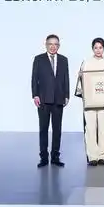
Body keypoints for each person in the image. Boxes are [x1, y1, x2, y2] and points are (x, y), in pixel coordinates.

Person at [31, 34, 69, 168]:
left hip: (58, 99)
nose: (53, 47)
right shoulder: (39, 59)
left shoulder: (63, 60)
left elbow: (66, 78)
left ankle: (55, 157)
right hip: (43, 99)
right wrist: (35, 95)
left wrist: (67, 95)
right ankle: (43, 157)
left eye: (55, 44)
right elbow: (34, 78)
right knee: (43, 129)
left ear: (59, 46)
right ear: (46, 45)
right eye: (50, 44)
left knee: (57, 129)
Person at [77, 37, 104, 166]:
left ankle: (102, 155)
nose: (98, 50)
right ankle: (92, 156)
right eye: (96, 47)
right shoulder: (86, 62)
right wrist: (80, 77)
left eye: (100, 47)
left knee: (103, 128)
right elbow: (81, 81)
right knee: (90, 128)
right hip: (90, 100)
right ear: (92, 49)